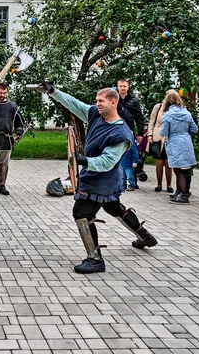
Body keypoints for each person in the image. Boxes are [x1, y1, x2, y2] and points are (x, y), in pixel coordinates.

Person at [35, 82, 158, 274]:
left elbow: (107, 161)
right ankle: (144, 236)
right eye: (96, 101)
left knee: (82, 212)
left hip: (103, 180)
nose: (97, 104)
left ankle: (95, 259)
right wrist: (53, 91)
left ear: (113, 102)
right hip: (100, 178)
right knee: (113, 207)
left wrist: (83, 161)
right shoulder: (95, 115)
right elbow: (74, 104)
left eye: (101, 101)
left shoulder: (121, 133)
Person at [160, 90, 198, 205]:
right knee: (184, 169)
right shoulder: (187, 113)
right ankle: (180, 192)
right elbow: (194, 129)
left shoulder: (167, 115)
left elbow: (163, 132)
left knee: (178, 169)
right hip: (186, 142)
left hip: (175, 143)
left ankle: (183, 195)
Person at [146, 92, 174, 193]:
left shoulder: (175, 108)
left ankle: (169, 185)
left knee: (168, 161)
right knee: (159, 160)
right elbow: (151, 121)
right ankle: (159, 184)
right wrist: (150, 134)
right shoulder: (158, 106)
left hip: (170, 136)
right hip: (158, 135)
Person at [116, 79, 145, 144]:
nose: (122, 88)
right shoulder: (114, 101)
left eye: (124, 86)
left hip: (129, 130)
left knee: (130, 150)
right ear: (117, 87)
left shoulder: (134, 101)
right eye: (120, 86)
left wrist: (140, 134)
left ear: (128, 87)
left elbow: (139, 118)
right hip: (115, 129)